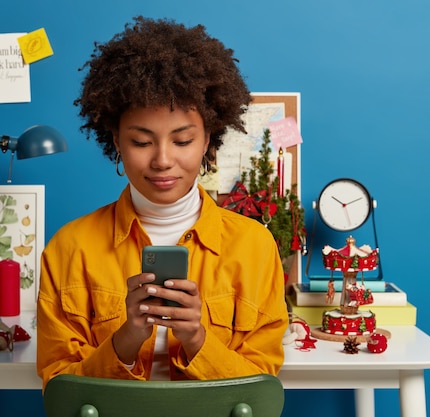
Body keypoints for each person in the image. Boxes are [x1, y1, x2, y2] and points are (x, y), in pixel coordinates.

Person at [36, 16, 288, 390]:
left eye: (183, 141)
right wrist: (127, 338)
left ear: (208, 142)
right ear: (117, 142)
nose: (162, 160)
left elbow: (260, 387)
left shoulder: (254, 246)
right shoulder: (69, 248)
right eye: (141, 142)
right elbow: (58, 387)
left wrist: (196, 339)